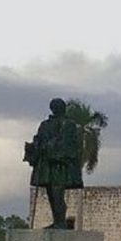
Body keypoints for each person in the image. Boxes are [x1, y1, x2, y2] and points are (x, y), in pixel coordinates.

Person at [25, 98, 83, 230]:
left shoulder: (68, 124)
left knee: (58, 193)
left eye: (58, 106)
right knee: (51, 193)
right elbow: (38, 139)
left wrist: (51, 147)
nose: (57, 109)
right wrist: (34, 147)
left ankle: (61, 222)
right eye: (54, 107)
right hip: (47, 164)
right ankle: (57, 221)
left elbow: (69, 143)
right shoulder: (44, 124)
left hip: (60, 164)